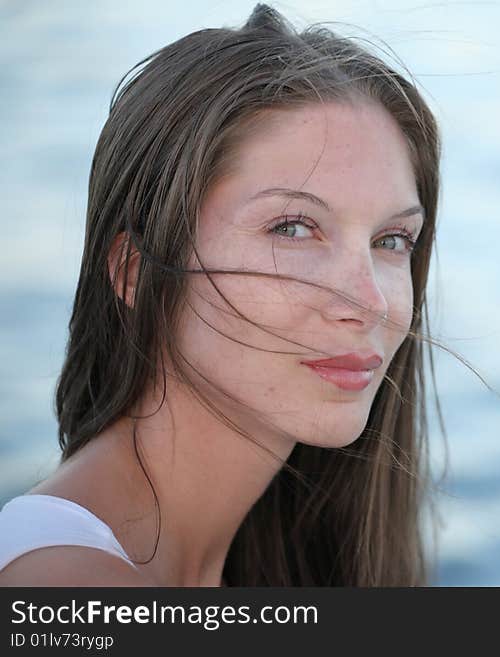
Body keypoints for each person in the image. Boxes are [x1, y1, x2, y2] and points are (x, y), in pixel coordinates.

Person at [0, 3, 443, 586]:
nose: (370, 302)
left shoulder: (247, 565)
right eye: (292, 228)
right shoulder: (65, 583)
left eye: (391, 239)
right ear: (135, 271)